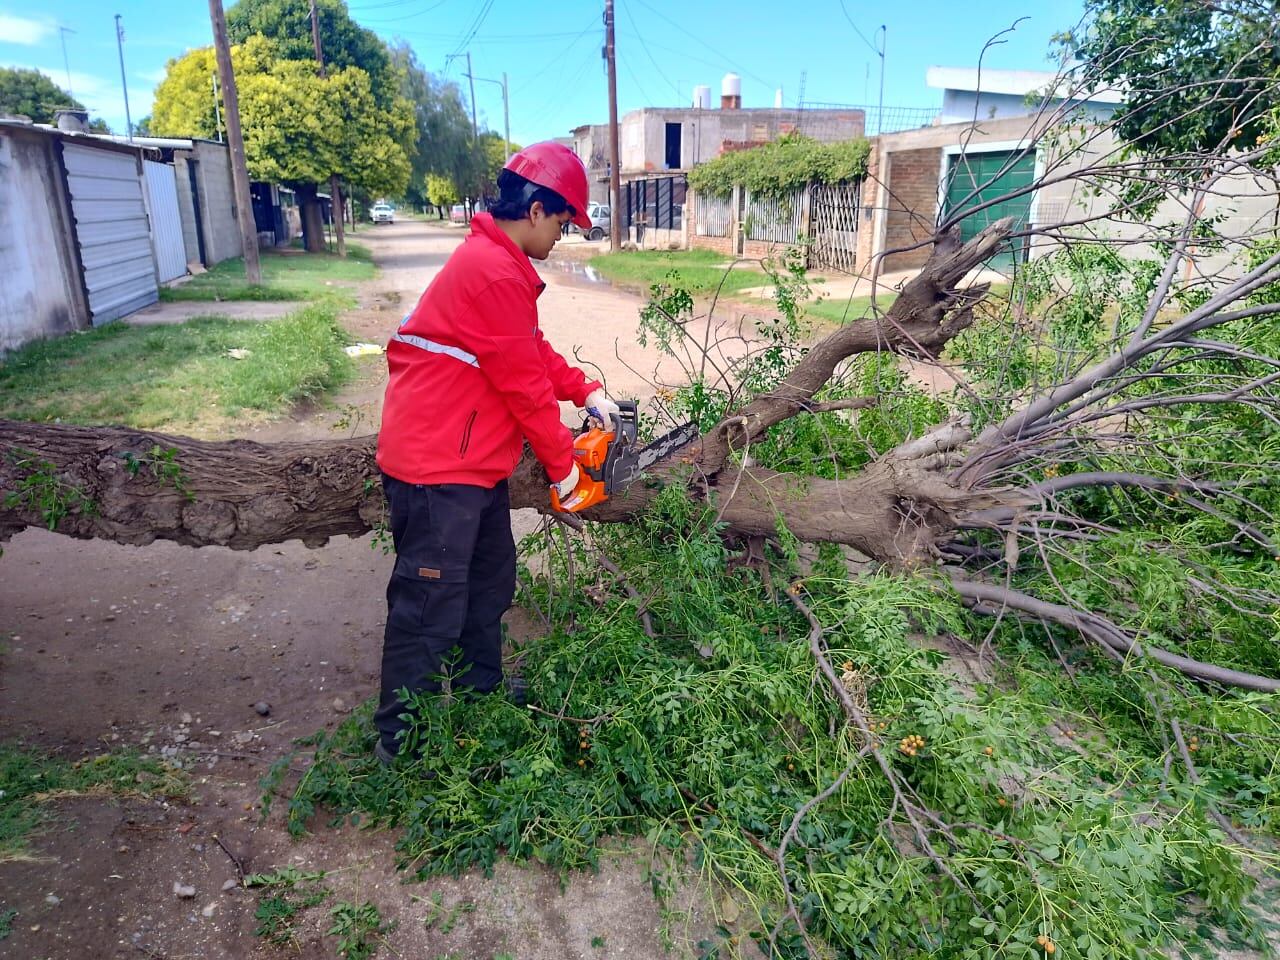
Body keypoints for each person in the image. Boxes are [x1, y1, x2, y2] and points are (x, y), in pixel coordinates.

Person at [373, 141, 620, 763]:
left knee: (487, 585)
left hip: (473, 464)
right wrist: (566, 470)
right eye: (563, 222)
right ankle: (401, 744)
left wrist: (585, 390)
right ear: (536, 209)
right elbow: (523, 388)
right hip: (436, 467)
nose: (564, 235)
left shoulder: (501, 266)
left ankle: (480, 693)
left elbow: (529, 353)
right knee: (428, 604)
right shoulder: (490, 269)